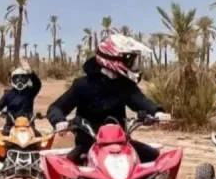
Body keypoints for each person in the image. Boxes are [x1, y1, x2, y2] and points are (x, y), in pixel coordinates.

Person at [46, 34, 171, 165]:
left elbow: (141, 101)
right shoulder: (82, 85)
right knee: (68, 171)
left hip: (121, 144)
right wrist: (59, 121)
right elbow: (56, 108)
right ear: (113, 59)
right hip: (88, 144)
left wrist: (157, 112)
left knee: (155, 160)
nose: (131, 64)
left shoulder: (124, 84)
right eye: (128, 60)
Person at [0, 58, 42, 136]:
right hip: (11, 126)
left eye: (23, 78)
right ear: (12, 79)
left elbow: (38, 84)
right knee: (2, 142)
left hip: (29, 126)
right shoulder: (8, 94)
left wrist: (30, 72)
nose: (19, 80)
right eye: (17, 78)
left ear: (27, 79)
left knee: (39, 140)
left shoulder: (30, 92)